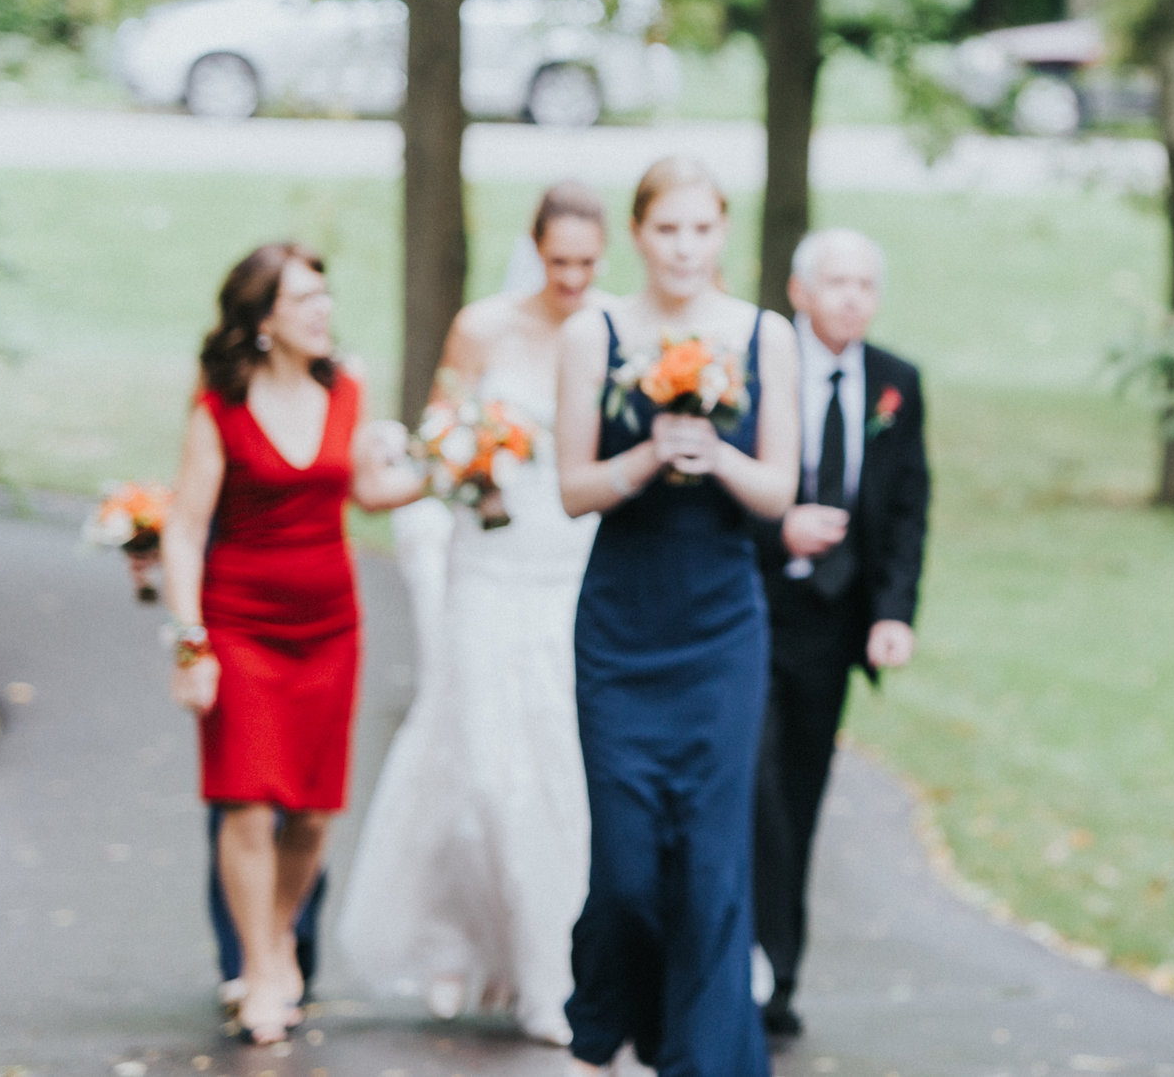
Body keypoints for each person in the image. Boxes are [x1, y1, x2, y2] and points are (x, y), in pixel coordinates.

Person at [336, 182, 614, 1044]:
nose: (571, 279)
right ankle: (456, 936)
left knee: (560, 772)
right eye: (557, 261)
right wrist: (465, 459)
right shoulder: (482, 327)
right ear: (535, 249)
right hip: (488, 564)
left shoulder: (611, 328)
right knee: (487, 770)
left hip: (571, 566)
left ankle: (547, 974)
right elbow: (438, 432)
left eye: (586, 263)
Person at [556, 157, 799, 1077]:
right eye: (667, 230)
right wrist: (648, 457)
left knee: (708, 864)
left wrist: (714, 457)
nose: (685, 248)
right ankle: (615, 1011)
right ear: (638, 234)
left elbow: (779, 489)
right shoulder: (597, 333)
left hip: (720, 629)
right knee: (626, 870)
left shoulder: (763, 334)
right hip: (623, 623)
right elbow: (574, 488)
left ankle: (701, 1059)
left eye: (701, 230)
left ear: (722, 232)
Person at [159, 243, 428, 1046]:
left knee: (312, 811)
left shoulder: (348, 387)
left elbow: (368, 489)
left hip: (330, 626)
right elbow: (183, 528)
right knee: (246, 802)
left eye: (325, 294)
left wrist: (454, 468)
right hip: (240, 624)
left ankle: (275, 942)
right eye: (304, 299)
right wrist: (190, 641)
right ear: (264, 319)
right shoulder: (220, 408)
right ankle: (262, 969)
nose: (323, 310)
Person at [752, 228, 930, 1039]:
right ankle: (738, 958)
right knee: (750, 789)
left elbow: (905, 511)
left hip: (830, 625)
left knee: (798, 793)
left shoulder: (896, 383)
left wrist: (893, 613)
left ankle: (779, 976)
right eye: (837, 281)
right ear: (799, 290)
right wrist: (777, 530)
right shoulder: (756, 364)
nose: (852, 296)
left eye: (866, 282)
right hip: (751, 610)